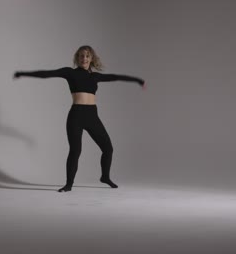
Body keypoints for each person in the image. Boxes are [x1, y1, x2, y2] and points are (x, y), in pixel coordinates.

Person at [14, 45, 145, 192]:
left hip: (92, 116)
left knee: (108, 148)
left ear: (91, 58)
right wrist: (22, 73)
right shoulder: (70, 72)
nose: (84, 58)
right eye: (81, 56)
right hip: (76, 115)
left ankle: (105, 177)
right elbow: (47, 74)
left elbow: (116, 77)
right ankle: (69, 184)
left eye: (87, 56)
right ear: (77, 58)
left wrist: (138, 80)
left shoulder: (95, 76)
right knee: (75, 151)